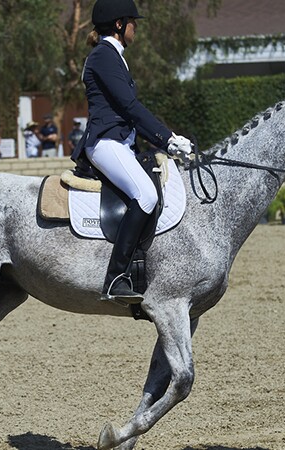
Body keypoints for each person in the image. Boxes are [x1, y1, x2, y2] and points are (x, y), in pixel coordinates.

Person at [73, 0, 192, 304]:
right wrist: (168, 138)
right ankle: (115, 278)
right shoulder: (103, 56)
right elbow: (130, 107)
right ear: (119, 24)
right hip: (105, 142)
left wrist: (166, 142)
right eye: (132, 22)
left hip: (122, 142)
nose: (135, 27)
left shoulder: (114, 56)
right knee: (146, 195)